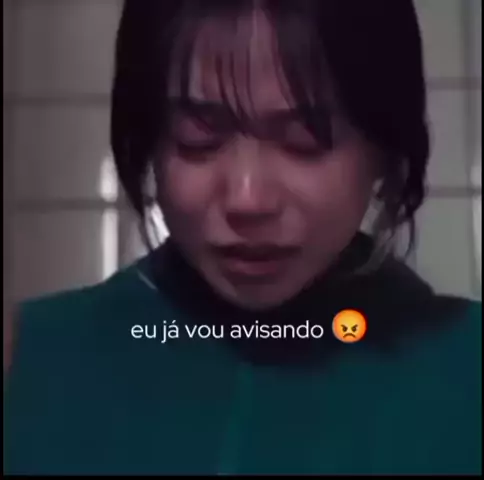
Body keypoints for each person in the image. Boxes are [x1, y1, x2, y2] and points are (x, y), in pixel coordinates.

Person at [3, 0, 481, 475]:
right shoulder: (26, 359)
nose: (247, 199)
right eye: (197, 137)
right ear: (149, 143)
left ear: (385, 152)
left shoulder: (465, 370)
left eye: (305, 139)